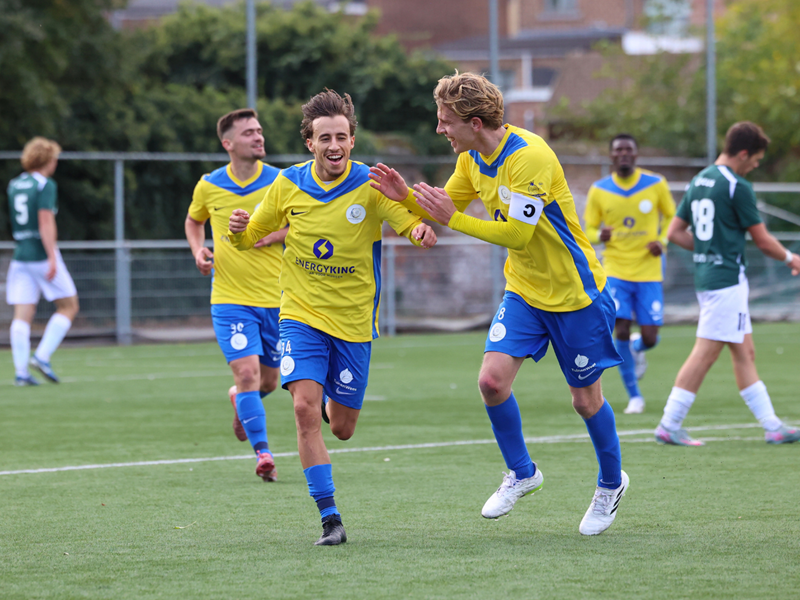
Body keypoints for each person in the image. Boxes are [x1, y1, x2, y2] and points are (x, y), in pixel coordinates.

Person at [370, 72, 628, 536]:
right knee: (491, 382)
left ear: (474, 123)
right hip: (524, 292)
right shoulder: (470, 158)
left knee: (586, 401)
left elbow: (516, 234)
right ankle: (523, 473)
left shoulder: (530, 157)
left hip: (575, 295)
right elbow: (444, 206)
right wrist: (405, 197)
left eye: (445, 121)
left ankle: (611, 483)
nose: (439, 129)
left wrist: (453, 219)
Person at [228, 90, 436, 545]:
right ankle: (330, 519)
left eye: (341, 136)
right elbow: (252, 235)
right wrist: (239, 231)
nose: (334, 144)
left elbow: (407, 222)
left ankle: (328, 399)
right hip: (299, 315)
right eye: (325, 138)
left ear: (352, 141)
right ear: (310, 143)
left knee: (341, 428)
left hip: (354, 324)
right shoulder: (288, 184)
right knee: (303, 409)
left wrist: (419, 230)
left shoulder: (371, 184)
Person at [656, 121, 800, 446]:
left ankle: (773, 426)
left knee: (744, 351)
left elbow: (675, 233)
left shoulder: (699, 180)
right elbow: (762, 241)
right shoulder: (737, 186)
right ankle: (669, 424)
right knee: (705, 353)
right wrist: (792, 259)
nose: (755, 166)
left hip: (710, 278)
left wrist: (708, 250)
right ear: (744, 153)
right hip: (726, 282)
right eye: (756, 159)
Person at [185, 108, 287, 482]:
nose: (258, 137)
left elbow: (302, 223)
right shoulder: (208, 185)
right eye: (249, 133)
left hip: (277, 299)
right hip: (229, 298)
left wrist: (273, 235)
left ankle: (240, 400)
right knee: (246, 373)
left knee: (268, 383)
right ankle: (263, 454)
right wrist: (198, 249)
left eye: (259, 131)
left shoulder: (281, 181)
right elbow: (194, 220)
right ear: (228, 143)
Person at [584, 134, 676, 415]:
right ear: (611, 156)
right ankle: (635, 396)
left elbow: (672, 217)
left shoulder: (656, 183)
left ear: (636, 155)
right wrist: (600, 235)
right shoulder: (599, 190)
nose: (623, 154)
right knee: (620, 328)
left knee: (650, 337)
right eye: (618, 150)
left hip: (648, 270)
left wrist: (662, 240)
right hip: (615, 270)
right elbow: (588, 229)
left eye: (628, 150)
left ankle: (638, 347)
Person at [6, 137, 79, 386]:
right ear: (47, 159)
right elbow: (45, 221)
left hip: (20, 255)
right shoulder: (44, 184)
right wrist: (52, 256)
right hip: (40, 253)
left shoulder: (15, 183)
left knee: (22, 314)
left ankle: (21, 373)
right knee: (69, 305)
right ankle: (42, 356)